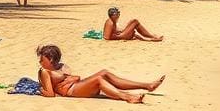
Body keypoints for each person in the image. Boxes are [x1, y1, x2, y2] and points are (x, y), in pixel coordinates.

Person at [36, 44, 165, 104]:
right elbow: (50, 94)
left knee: (104, 72)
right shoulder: (44, 71)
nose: (40, 61)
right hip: (72, 91)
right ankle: (128, 97)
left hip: (77, 86)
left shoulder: (59, 67)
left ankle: (147, 85)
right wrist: (41, 90)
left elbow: (72, 77)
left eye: (42, 59)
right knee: (99, 79)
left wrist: (68, 79)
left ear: (51, 59)